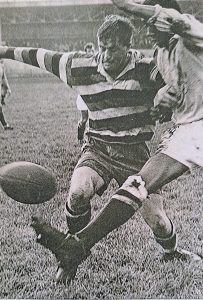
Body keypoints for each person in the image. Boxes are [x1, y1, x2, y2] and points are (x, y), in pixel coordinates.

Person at [32, 0, 203, 284]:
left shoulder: (193, 32)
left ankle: (75, 247)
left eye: (151, 22)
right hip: (185, 131)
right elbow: (171, 93)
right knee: (136, 186)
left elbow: (171, 19)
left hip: (193, 129)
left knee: (149, 204)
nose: (146, 29)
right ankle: (75, 247)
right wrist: (163, 101)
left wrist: (127, 5)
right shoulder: (162, 54)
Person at [0, 15, 173, 284]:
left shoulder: (148, 69)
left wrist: (166, 98)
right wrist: (4, 51)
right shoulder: (80, 65)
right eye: (102, 46)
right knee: (78, 192)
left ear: (129, 47)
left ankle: (172, 252)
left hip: (135, 154)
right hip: (98, 148)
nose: (105, 54)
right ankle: (71, 252)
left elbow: (174, 85)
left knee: (159, 222)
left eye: (113, 48)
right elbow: (39, 55)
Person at [76, 43, 95, 144]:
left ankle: (92, 140)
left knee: (94, 119)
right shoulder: (82, 65)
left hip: (94, 95)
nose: (91, 53)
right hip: (84, 95)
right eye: (88, 51)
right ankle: (80, 138)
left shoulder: (97, 63)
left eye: (92, 51)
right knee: (84, 119)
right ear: (85, 53)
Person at [0, 60, 13, 130]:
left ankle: (5, 125)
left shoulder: (1, 66)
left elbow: (3, 78)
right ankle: (5, 125)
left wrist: (8, 88)